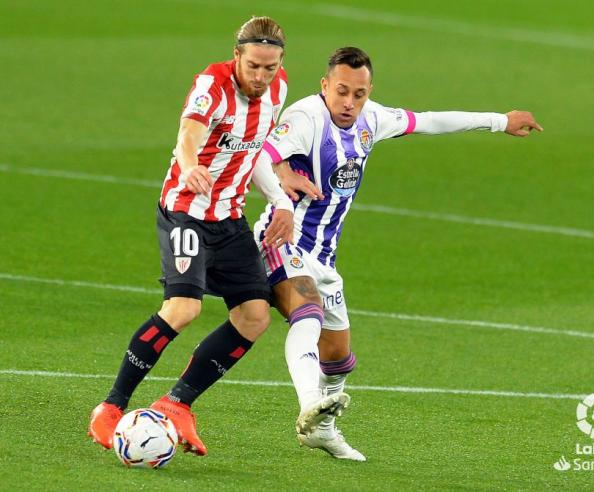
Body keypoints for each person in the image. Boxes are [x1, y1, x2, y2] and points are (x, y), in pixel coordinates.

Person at [252, 47, 543, 461]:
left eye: (359, 93)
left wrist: (500, 122)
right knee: (308, 314)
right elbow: (258, 156)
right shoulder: (304, 118)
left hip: (325, 257)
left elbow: (428, 121)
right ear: (324, 86)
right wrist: (281, 177)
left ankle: (324, 429)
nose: (349, 102)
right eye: (341, 92)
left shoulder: (373, 119)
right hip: (283, 241)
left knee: (338, 357)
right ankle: (308, 406)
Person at [88, 16, 301, 456]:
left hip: (229, 217)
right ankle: (110, 407)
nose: (261, 77)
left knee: (255, 316)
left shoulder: (277, 91)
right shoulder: (213, 84)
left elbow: (254, 148)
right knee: (184, 308)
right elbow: (189, 133)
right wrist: (189, 166)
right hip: (186, 211)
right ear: (236, 54)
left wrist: (279, 200)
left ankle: (178, 402)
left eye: (270, 67)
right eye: (253, 66)